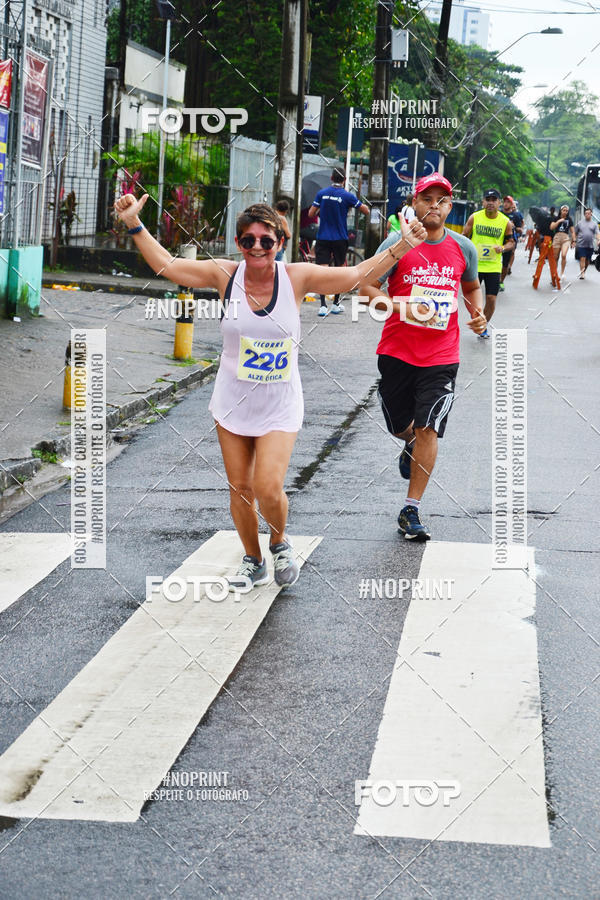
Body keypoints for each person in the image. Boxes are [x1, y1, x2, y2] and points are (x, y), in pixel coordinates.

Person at [114, 195, 426, 588]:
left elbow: (355, 274)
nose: (257, 247)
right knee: (241, 488)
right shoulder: (224, 275)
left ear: (280, 243)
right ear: (239, 244)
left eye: (266, 240)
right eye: (248, 241)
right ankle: (253, 559)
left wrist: (402, 245)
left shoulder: (295, 278)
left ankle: (279, 540)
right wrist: (134, 224)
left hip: (279, 403)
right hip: (232, 402)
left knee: (267, 486)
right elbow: (167, 266)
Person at [361, 173, 486, 541]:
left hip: (442, 356)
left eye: (441, 199)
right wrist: (401, 307)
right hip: (397, 352)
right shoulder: (396, 243)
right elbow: (367, 285)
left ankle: (411, 508)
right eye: (426, 198)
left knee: (429, 426)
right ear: (414, 203)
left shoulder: (464, 248)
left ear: (450, 206)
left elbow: (472, 287)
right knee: (402, 425)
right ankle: (409, 442)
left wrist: (476, 314)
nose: (434, 205)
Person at [308, 168, 369, 317]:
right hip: (340, 238)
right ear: (345, 180)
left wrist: (321, 211)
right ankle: (335, 303)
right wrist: (350, 205)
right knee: (339, 270)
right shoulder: (347, 196)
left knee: (322, 271)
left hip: (323, 236)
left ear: (331, 177)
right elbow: (366, 210)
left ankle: (322, 306)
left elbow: (311, 214)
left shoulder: (321, 194)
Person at [463, 188, 514, 339]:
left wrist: (503, 248)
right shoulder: (475, 217)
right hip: (475, 265)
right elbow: (464, 237)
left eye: (494, 200)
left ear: (499, 203)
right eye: (488, 199)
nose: (490, 203)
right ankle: (478, 320)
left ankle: (483, 325)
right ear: (483, 202)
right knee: (471, 299)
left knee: (491, 299)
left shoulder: (505, 222)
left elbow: (511, 242)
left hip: (493, 266)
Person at [500, 195, 524, 289]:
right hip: (498, 240)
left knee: (505, 263)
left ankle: (501, 281)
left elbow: (520, 229)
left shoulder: (516, 215)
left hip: (509, 241)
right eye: (504, 202)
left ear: (512, 204)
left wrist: (514, 227)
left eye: (508, 202)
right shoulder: (499, 213)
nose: (506, 204)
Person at [550, 205, 575, 279]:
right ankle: (554, 273)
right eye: (564, 210)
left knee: (564, 255)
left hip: (565, 238)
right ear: (561, 211)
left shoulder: (569, 219)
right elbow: (551, 227)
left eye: (566, 211)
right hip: (557, 237)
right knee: (555, 257)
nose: (565, 212)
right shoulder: (556, 218)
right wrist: (558, 221)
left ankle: (562, 273)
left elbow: (572, 231)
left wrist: (574, 240)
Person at [574, 207, 600, 279]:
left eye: (589, 213)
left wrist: (599, 240)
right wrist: (574, 240)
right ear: (584, 214)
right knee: (582, 258)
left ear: (591, 214)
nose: (587, 215)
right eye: (586, 213)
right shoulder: (580, 223)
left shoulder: (594, 224)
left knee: (587, 261)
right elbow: (575, 232)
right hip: (581, 245)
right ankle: (582, 273)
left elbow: (597, 233)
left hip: (590, 246)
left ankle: (584, 271)